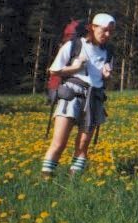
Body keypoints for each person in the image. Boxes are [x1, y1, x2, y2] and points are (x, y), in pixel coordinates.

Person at [41, 13, 116, 178]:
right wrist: (74, 69)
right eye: (104, 30)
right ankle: (46, 179)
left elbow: (105, 82)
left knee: (83, 145)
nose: (107, 35)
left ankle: (74, 180)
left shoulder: (108, 52)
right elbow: (53, 70)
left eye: (111, 32)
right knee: (59, 143)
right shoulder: (74, 45)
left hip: (94, 98)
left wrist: (107, 76)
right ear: (93, 27)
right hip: (72, 96)